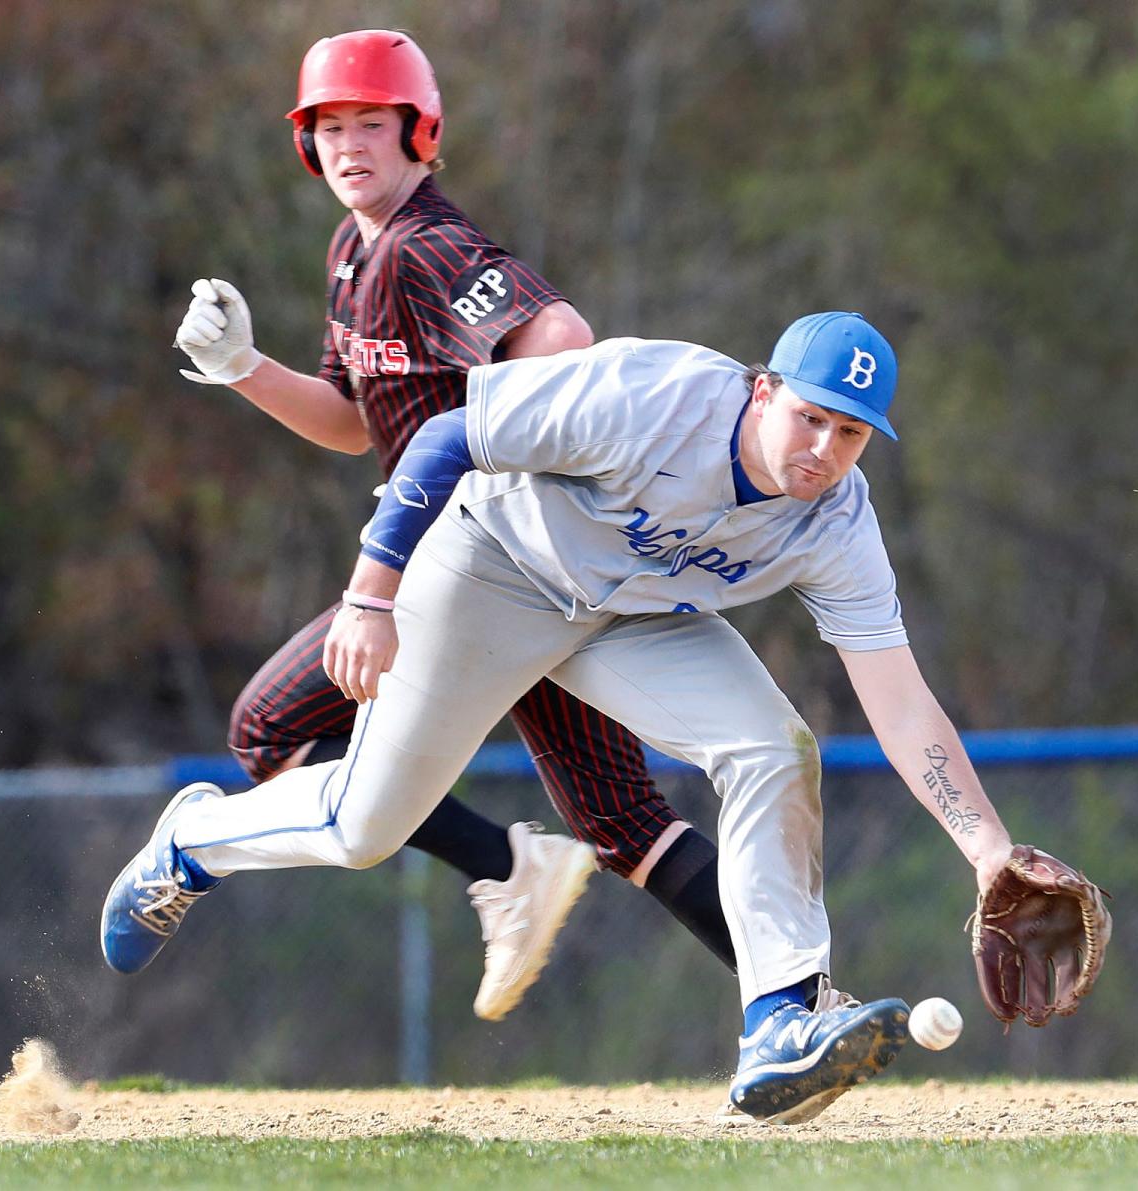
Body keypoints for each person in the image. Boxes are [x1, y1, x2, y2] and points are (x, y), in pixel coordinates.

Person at [102, 309, 1062, 1122]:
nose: (824, 450)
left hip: (628, 618)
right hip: (492, 568)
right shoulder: (652, 393)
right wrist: (369, 594)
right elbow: (447, 437)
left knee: (774, 745)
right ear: (763, 391)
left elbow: (898, 696)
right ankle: (195, 838)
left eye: (851, 433)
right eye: (811, 417)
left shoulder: (837, 519)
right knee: (365, 826)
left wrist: (986, 848)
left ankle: (779, 1017)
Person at [162, 29, 737, 1023]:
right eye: (328, 126)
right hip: (528, 571)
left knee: (269, 729)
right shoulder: (355, 249)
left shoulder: (425, 246)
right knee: (623, 822)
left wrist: (508, 472)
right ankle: (803, 992)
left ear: (420, 131)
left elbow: (562, 340)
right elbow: (353, 424)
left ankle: (502, 865)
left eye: (370, 123)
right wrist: (245, 371)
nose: (348, 144)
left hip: (475, 565)